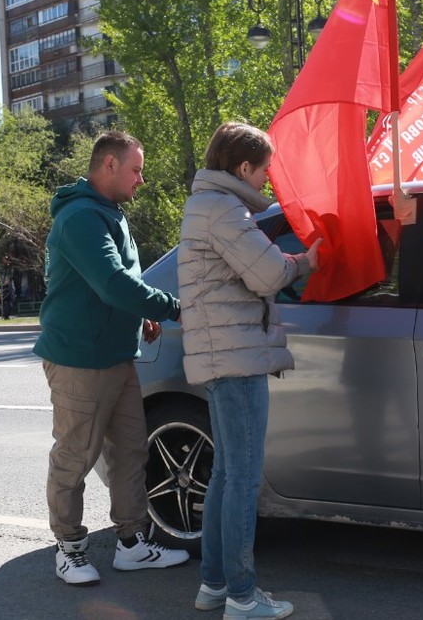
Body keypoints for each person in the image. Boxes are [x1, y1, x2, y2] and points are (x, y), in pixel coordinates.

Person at [178, 122, 321, 620]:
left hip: (223, 354)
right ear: (243, 168)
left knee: (225, 474)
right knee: (242, 478)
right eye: (264, 169)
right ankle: (242, 596)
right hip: (235, 357)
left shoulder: (208, 205)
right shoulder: (225, 209)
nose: (266, 178)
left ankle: (215, 585)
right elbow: (268, 273)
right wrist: (306, 261)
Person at [33, 131, 189, 586]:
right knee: (74, 457)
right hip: (81, 360)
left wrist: (139, 317)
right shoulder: (81, 216)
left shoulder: (109, 213)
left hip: (117, 356)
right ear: (108, 166)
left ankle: (132, 544)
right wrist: (172, 308)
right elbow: (111, 282)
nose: (141, 179)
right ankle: (70, 548)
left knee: (129, 454)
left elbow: (113, 284)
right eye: (136, 169)